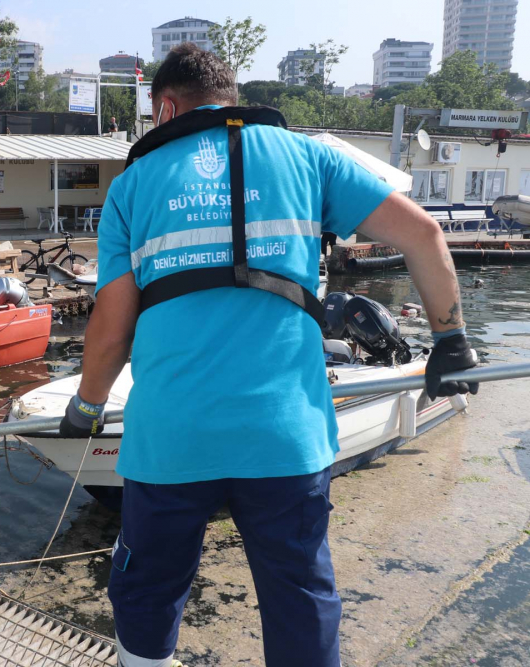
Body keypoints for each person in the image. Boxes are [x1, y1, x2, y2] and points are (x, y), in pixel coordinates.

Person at [59, 44, 477, 667]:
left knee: (147, 595)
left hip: (171, 438)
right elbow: (424, 233)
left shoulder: (134, 184)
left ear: (166, 105)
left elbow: (112, 332)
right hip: (286, 437)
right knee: (300, 596)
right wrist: (450, 343)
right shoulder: (310, 157)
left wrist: (87, 408)